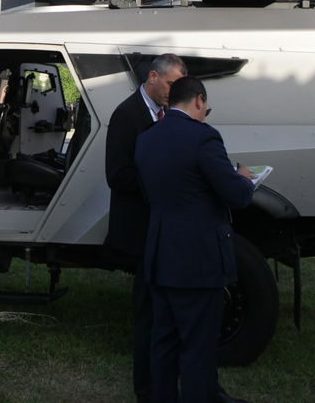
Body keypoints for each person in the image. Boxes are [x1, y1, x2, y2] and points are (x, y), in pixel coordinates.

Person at [135, 75, 255, 403]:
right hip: (197, 259)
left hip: (160, 253)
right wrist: (244, 179)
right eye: (206, 106)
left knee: (164, 340)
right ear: (199, 100)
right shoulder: (204, 138)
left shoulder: (147, 138)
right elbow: (236, 195)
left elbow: (150, 193)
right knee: (198, 345)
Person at [105, 53, 186, 403]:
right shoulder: (127, 115)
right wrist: (162, 179)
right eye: (170, 84)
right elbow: (117, 175)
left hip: (161, 228)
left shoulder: (165, 113)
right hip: (141, 229)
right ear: (152, 77)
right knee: (148, 313)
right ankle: (147, 389)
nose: (174, 92)